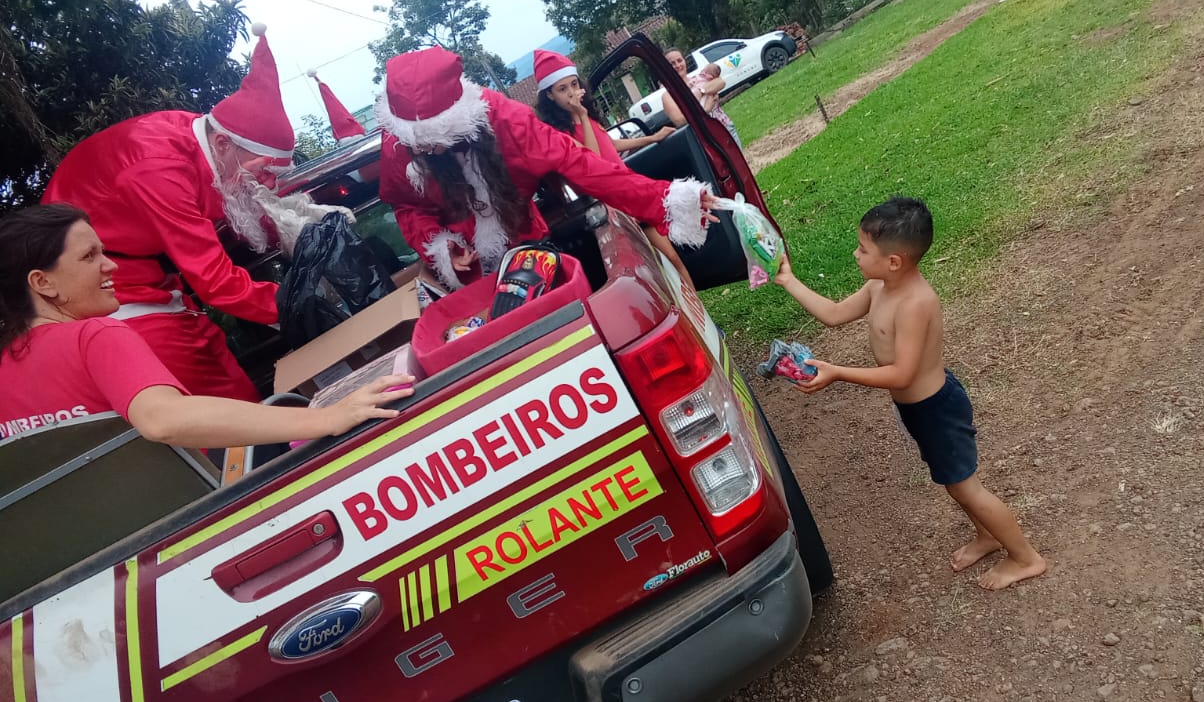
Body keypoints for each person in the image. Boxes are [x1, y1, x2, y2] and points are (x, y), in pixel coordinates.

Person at [41, 24, 346, 402]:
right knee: (220, 399)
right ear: (222, 143)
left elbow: (239, 208)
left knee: (228, 376)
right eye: (264, 170)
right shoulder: (159, 170)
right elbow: (216, 282)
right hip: (109, 296)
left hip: (149, 280)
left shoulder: (203, 140)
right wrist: (305, 302)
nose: (267, 183)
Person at [774, 197, 1046, 590]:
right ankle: (988, 536)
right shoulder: (878, 286)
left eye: (863, 249)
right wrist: (787, 280)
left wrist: (837, 373)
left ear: (895, 261)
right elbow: (833, 314)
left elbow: (902, 374)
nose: (856, 254)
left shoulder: (917, 303)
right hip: (919, 410)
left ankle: (1025, 557)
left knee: (967, 487)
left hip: (937, 409)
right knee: (954, 484)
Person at [0, 205, 412, 447]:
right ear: (42, 282)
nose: (111, 266)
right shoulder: (94, 336)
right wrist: (325, 418)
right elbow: (162, 419)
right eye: (90, 257)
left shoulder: (6, 368)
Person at [376, 45, 716, 292]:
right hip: (466, 276)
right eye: (415, 143)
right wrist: (439, 246)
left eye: (433, 139)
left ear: (458, 122)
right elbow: (407, 206)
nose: (422, 150)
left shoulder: (511, 122)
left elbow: (583, 165)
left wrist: (666, 198)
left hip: (527, 244)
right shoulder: (400, 146)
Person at [531, 49, 693, 289]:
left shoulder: (590, 117)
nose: (572, 93)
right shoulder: (559, 134)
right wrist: (580, 118)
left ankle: (699, 317)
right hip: (612, 206)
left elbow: (611, 144)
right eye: (562, 89)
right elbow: (593, 161)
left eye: (574, 84)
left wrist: (651, 139)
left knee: (671, 258)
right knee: (649, 273)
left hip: (631, 192)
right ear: (550, 96)